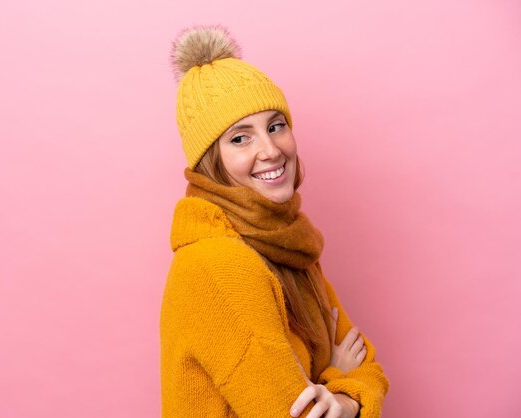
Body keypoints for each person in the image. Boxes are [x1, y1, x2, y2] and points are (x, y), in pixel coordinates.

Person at [160, 24, 390, 418]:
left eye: (275, 125)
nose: (270, 150)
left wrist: (345, 398)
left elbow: (369, 366)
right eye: (239, 138)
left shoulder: (290, 244)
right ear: (209, 163)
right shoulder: (218, 265)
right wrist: (340, 379)